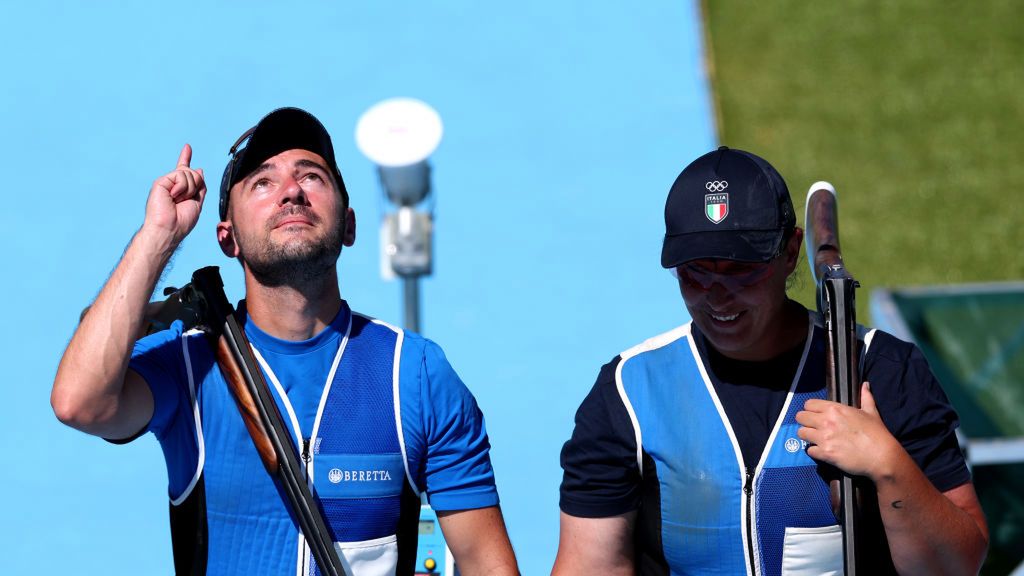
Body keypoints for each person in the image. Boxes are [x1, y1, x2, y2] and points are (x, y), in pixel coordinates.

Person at [52, 107, 519, 576]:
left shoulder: (415, 373)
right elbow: (79, 402)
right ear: (226, 238)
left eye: (311, 176)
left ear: (350, 225)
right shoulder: (188, 367)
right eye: (262, 182)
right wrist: (160, 236)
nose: (291, 191)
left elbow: (487, 563)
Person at [552, 146, 988, 576]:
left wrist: (888, 465)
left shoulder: (884, 369)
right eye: (695, 272)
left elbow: (959, 565)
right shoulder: (629, 391)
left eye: (741, 269)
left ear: (790, 252)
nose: (717, 294)